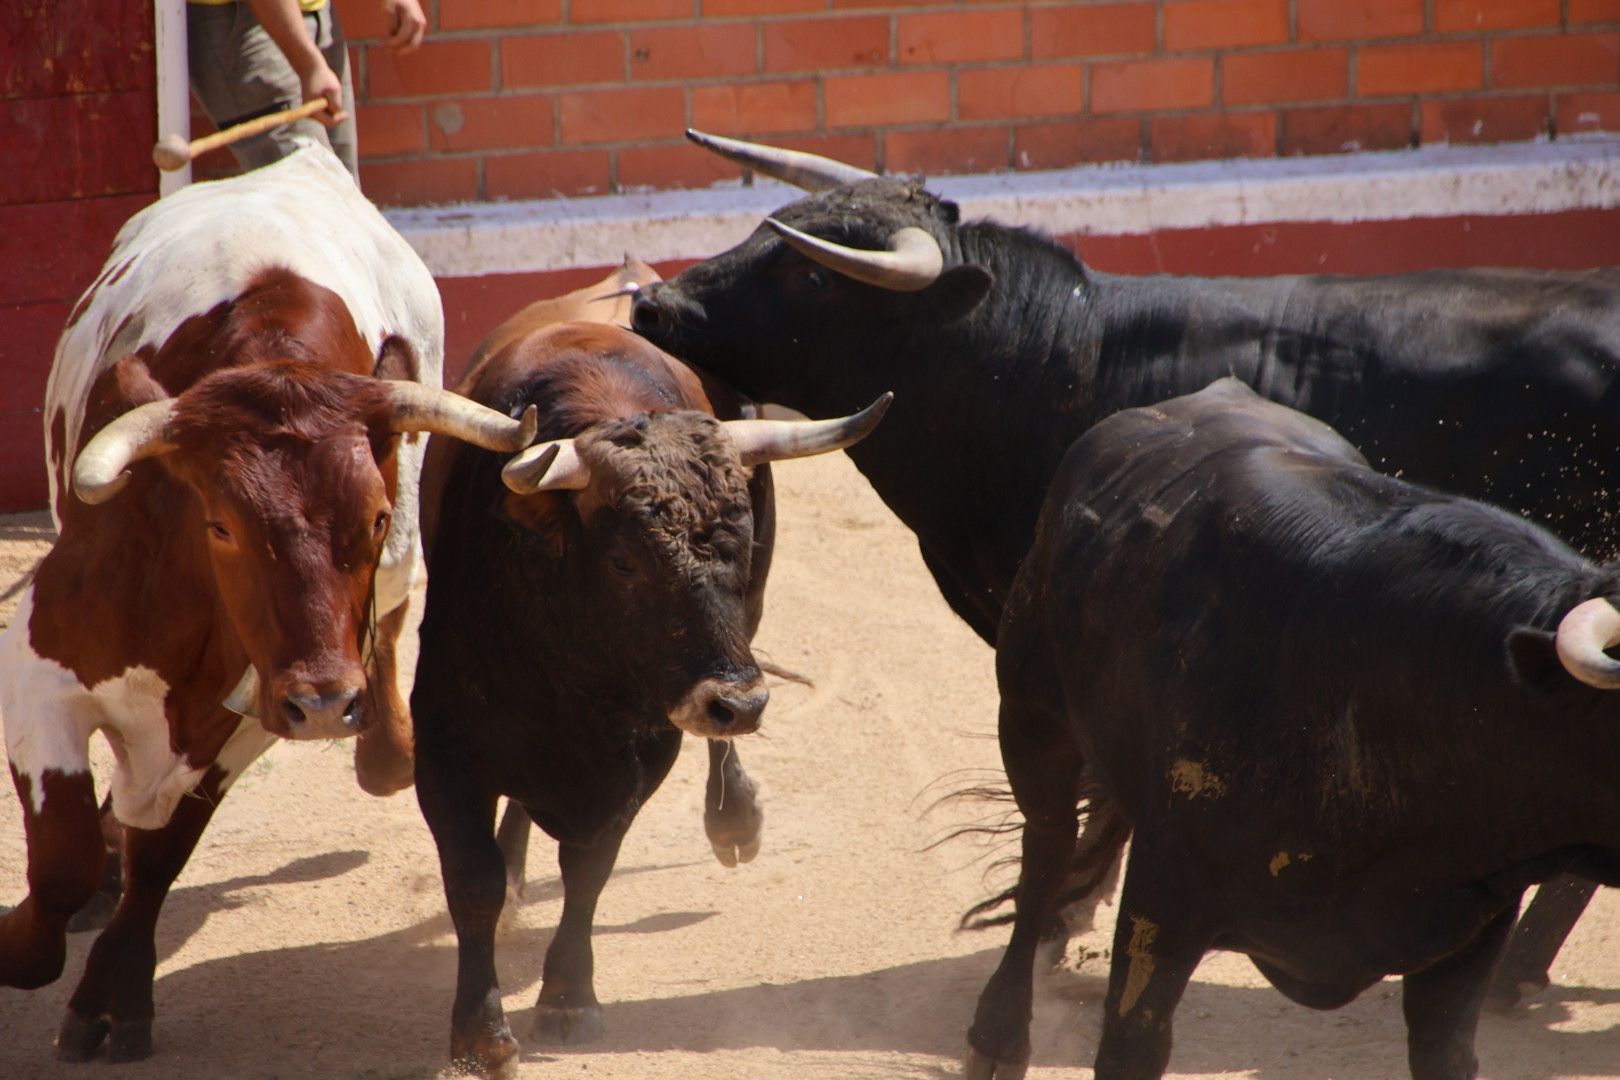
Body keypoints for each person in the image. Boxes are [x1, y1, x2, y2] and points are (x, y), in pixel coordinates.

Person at [186, 0, 426, 183]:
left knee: (345, 202)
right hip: (245, 18)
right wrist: (309, 65)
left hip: (315, 11)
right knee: (320, 203)